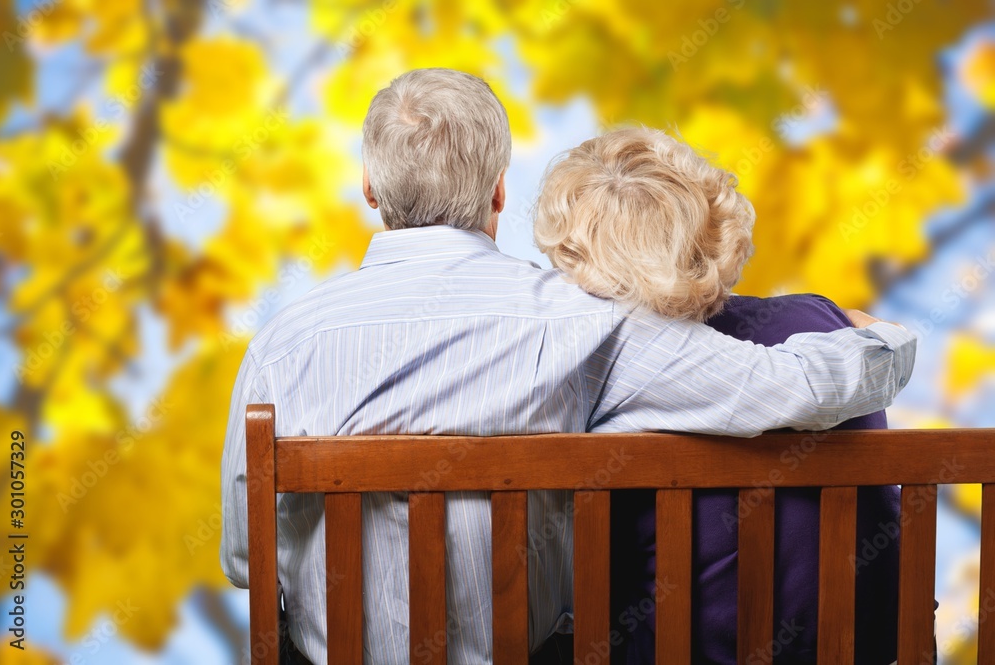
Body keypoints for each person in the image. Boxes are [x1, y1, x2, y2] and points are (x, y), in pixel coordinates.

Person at [221, 69, 916, 665]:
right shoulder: (588, 324)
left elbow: (245, 561)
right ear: (499, 192)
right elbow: (788, 390)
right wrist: (879, 338)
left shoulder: (282, 342)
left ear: (369, 187)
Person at [532, 126, 904, 663]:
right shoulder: (823, 323)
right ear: (713, 228)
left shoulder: (602, 370)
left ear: (576, 254)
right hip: (877, 650)